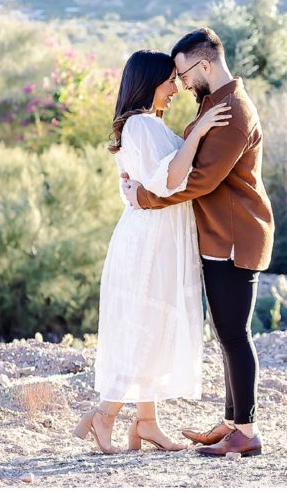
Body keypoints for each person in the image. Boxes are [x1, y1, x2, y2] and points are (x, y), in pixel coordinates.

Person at [121, 27, 274, 458]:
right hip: (218, 236)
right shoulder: (212, 103)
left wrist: (145, 198)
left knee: (234, 333)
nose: (181, 82)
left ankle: (246, 431)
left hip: (233, 237)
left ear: (204, 64)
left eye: (184, 73)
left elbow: (202, 179)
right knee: (226, 332)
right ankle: (231, 422)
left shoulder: (233, 112)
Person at [73, 49, 231, 454]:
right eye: (169, 81)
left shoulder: (148, 125)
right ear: (150, 82)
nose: (176, 88)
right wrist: (197, 133)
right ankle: (104, 415)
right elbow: (169, 181)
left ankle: (146, 421)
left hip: (159, 235)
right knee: (144, 327)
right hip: (149, 240)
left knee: (153, 325)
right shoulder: (142, 124)